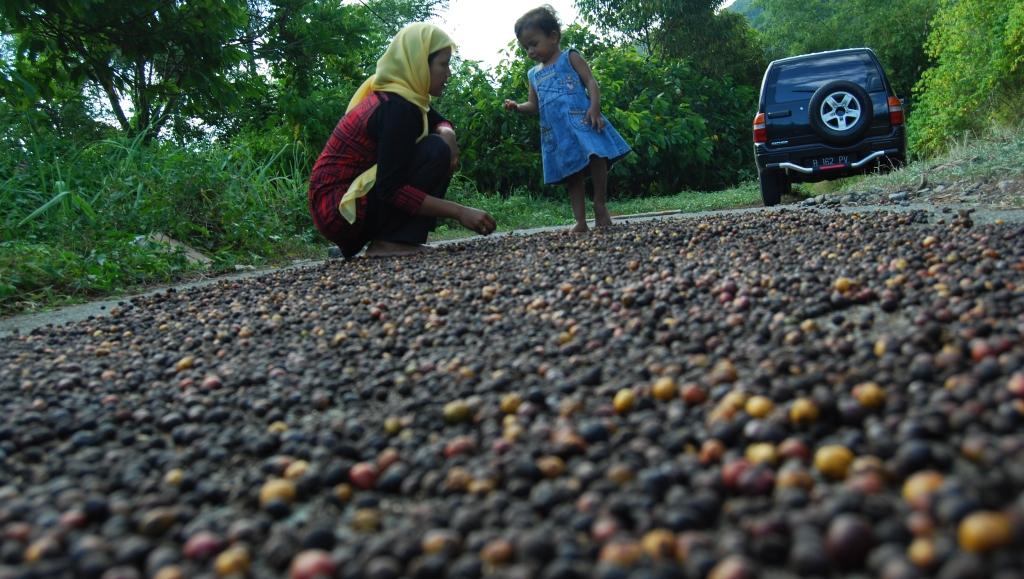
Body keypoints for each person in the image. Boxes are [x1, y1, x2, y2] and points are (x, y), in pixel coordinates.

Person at [308, 23, 496, 258]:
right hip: (338, 212)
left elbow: (438, 120)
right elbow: (391, 189)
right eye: (443, 64)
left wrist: (448, 133)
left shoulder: (402, 98)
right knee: (435, 150)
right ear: (419, 63)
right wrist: (459, 212)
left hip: (344, 206)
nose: (448, 73)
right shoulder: (397, 108)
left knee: (440, 143)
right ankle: (391, 242)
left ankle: (389, 239)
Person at [503, 5, 631, 233]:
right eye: (526, 47)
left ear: (553, 36)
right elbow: (534, 105)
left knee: (597, 155)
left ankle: (600, 206)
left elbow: (591, 82)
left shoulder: (569, 57)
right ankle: (580, 221)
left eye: (534, 43)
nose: (530, 51)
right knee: (573, 174)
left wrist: (594, 108)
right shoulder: (533, 74)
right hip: (557, 133)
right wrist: (517, 107)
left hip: (583, 120)